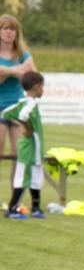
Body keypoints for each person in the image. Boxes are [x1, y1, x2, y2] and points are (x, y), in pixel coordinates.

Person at [2, 71, 45, 219]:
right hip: (28, 148)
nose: (43, 90)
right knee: (22, 178)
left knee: (35, 179)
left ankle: (36, 208)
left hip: (35, 148)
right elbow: (23, 115)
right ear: (37, 87)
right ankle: (12, 209)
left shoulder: (23, 103)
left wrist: (20, 124)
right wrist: (26, 128)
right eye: (42, 86)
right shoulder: (30, 104)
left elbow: (6, 113)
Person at [0, 14, 37, 178]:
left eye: (12, 29)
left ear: (17, 33)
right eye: (5, 28)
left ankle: (15, 194)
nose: (9, 32)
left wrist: (6, 71)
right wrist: (16, 70)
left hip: (17, 109)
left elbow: (33, 78)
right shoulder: (19, 62)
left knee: (18, 155)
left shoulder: (23, 54)